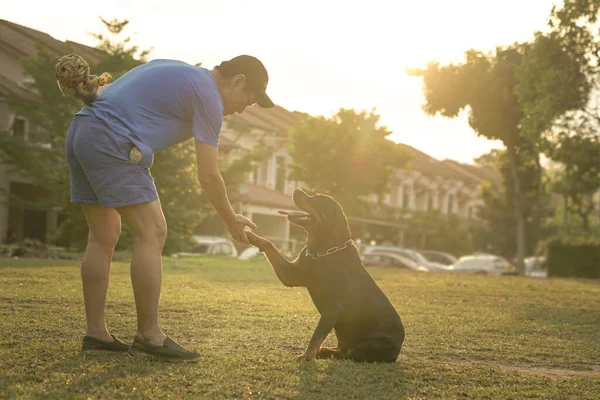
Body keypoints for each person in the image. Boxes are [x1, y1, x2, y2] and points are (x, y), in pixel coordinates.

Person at [66, 55, 274, 361]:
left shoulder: (177, 69)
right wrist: (230, 221)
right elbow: (208, 174)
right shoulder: (209, 96)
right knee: (153, 231)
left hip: (82, 131)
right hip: (112, 139)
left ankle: (96, 333)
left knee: (103, 235)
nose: (244, 108)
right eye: (248, 100)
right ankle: (149, 335)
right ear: (238, 81)